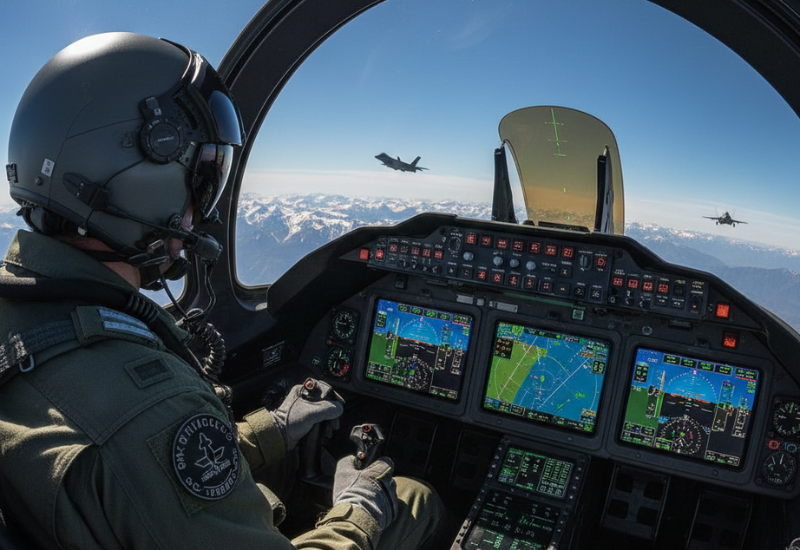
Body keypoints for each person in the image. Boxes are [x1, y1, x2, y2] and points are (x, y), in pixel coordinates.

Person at [0, 32, 443, 549]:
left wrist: (270, 429)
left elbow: (143, 474)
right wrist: (359, 512)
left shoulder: (29, 316)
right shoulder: (148, 405)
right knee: (412, 498)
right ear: (145, 179)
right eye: (201, 180)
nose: (200, 209)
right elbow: (141, 445)